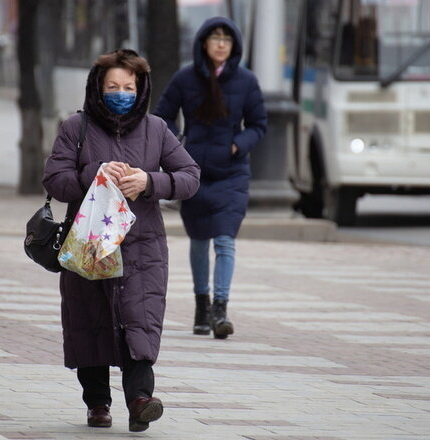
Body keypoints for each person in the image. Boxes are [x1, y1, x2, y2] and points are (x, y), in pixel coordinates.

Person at [43, 49, 200, 432]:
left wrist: (151, 181)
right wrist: (93, 174)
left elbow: (190, 176)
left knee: (139, 320)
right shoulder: (74, 128)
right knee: (91, 320)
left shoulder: (156, 129)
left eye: (128, 86)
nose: (120, 92)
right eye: (113, 86)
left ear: (141, 89)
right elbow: (54, 180)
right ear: (98, 87)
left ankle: (140, 401)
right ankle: (97, 403)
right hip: (90, 245)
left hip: (141, 247)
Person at [155, 17, 267, 339]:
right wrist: (177, 146)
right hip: (194, 173)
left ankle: (220, 309)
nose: (221, 44)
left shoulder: (246, 81)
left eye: (227, 39)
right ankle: (201, 306)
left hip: (232, 174)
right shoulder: (185, 78)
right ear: (203, 43)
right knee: (199, 239)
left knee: (225, 240)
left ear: (234, 46)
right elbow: (163, 116)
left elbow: (259, 124)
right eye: (215, 38)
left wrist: (237, 145)